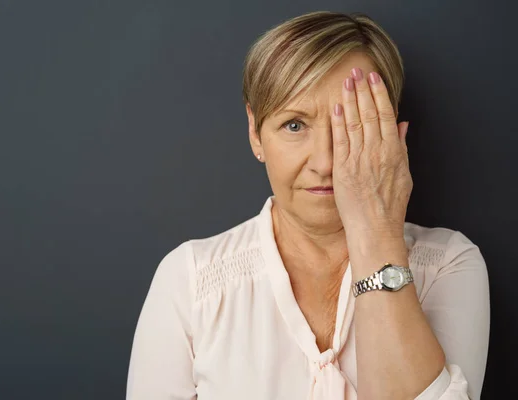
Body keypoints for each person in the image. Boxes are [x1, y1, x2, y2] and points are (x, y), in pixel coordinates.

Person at [126, 10, 490, 400]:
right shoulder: (190, 281)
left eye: (350, 125)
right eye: (295, 125)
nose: (324, 162)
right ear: (255, 132)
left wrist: (376, 232)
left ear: (387, 131)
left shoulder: (448, 265)